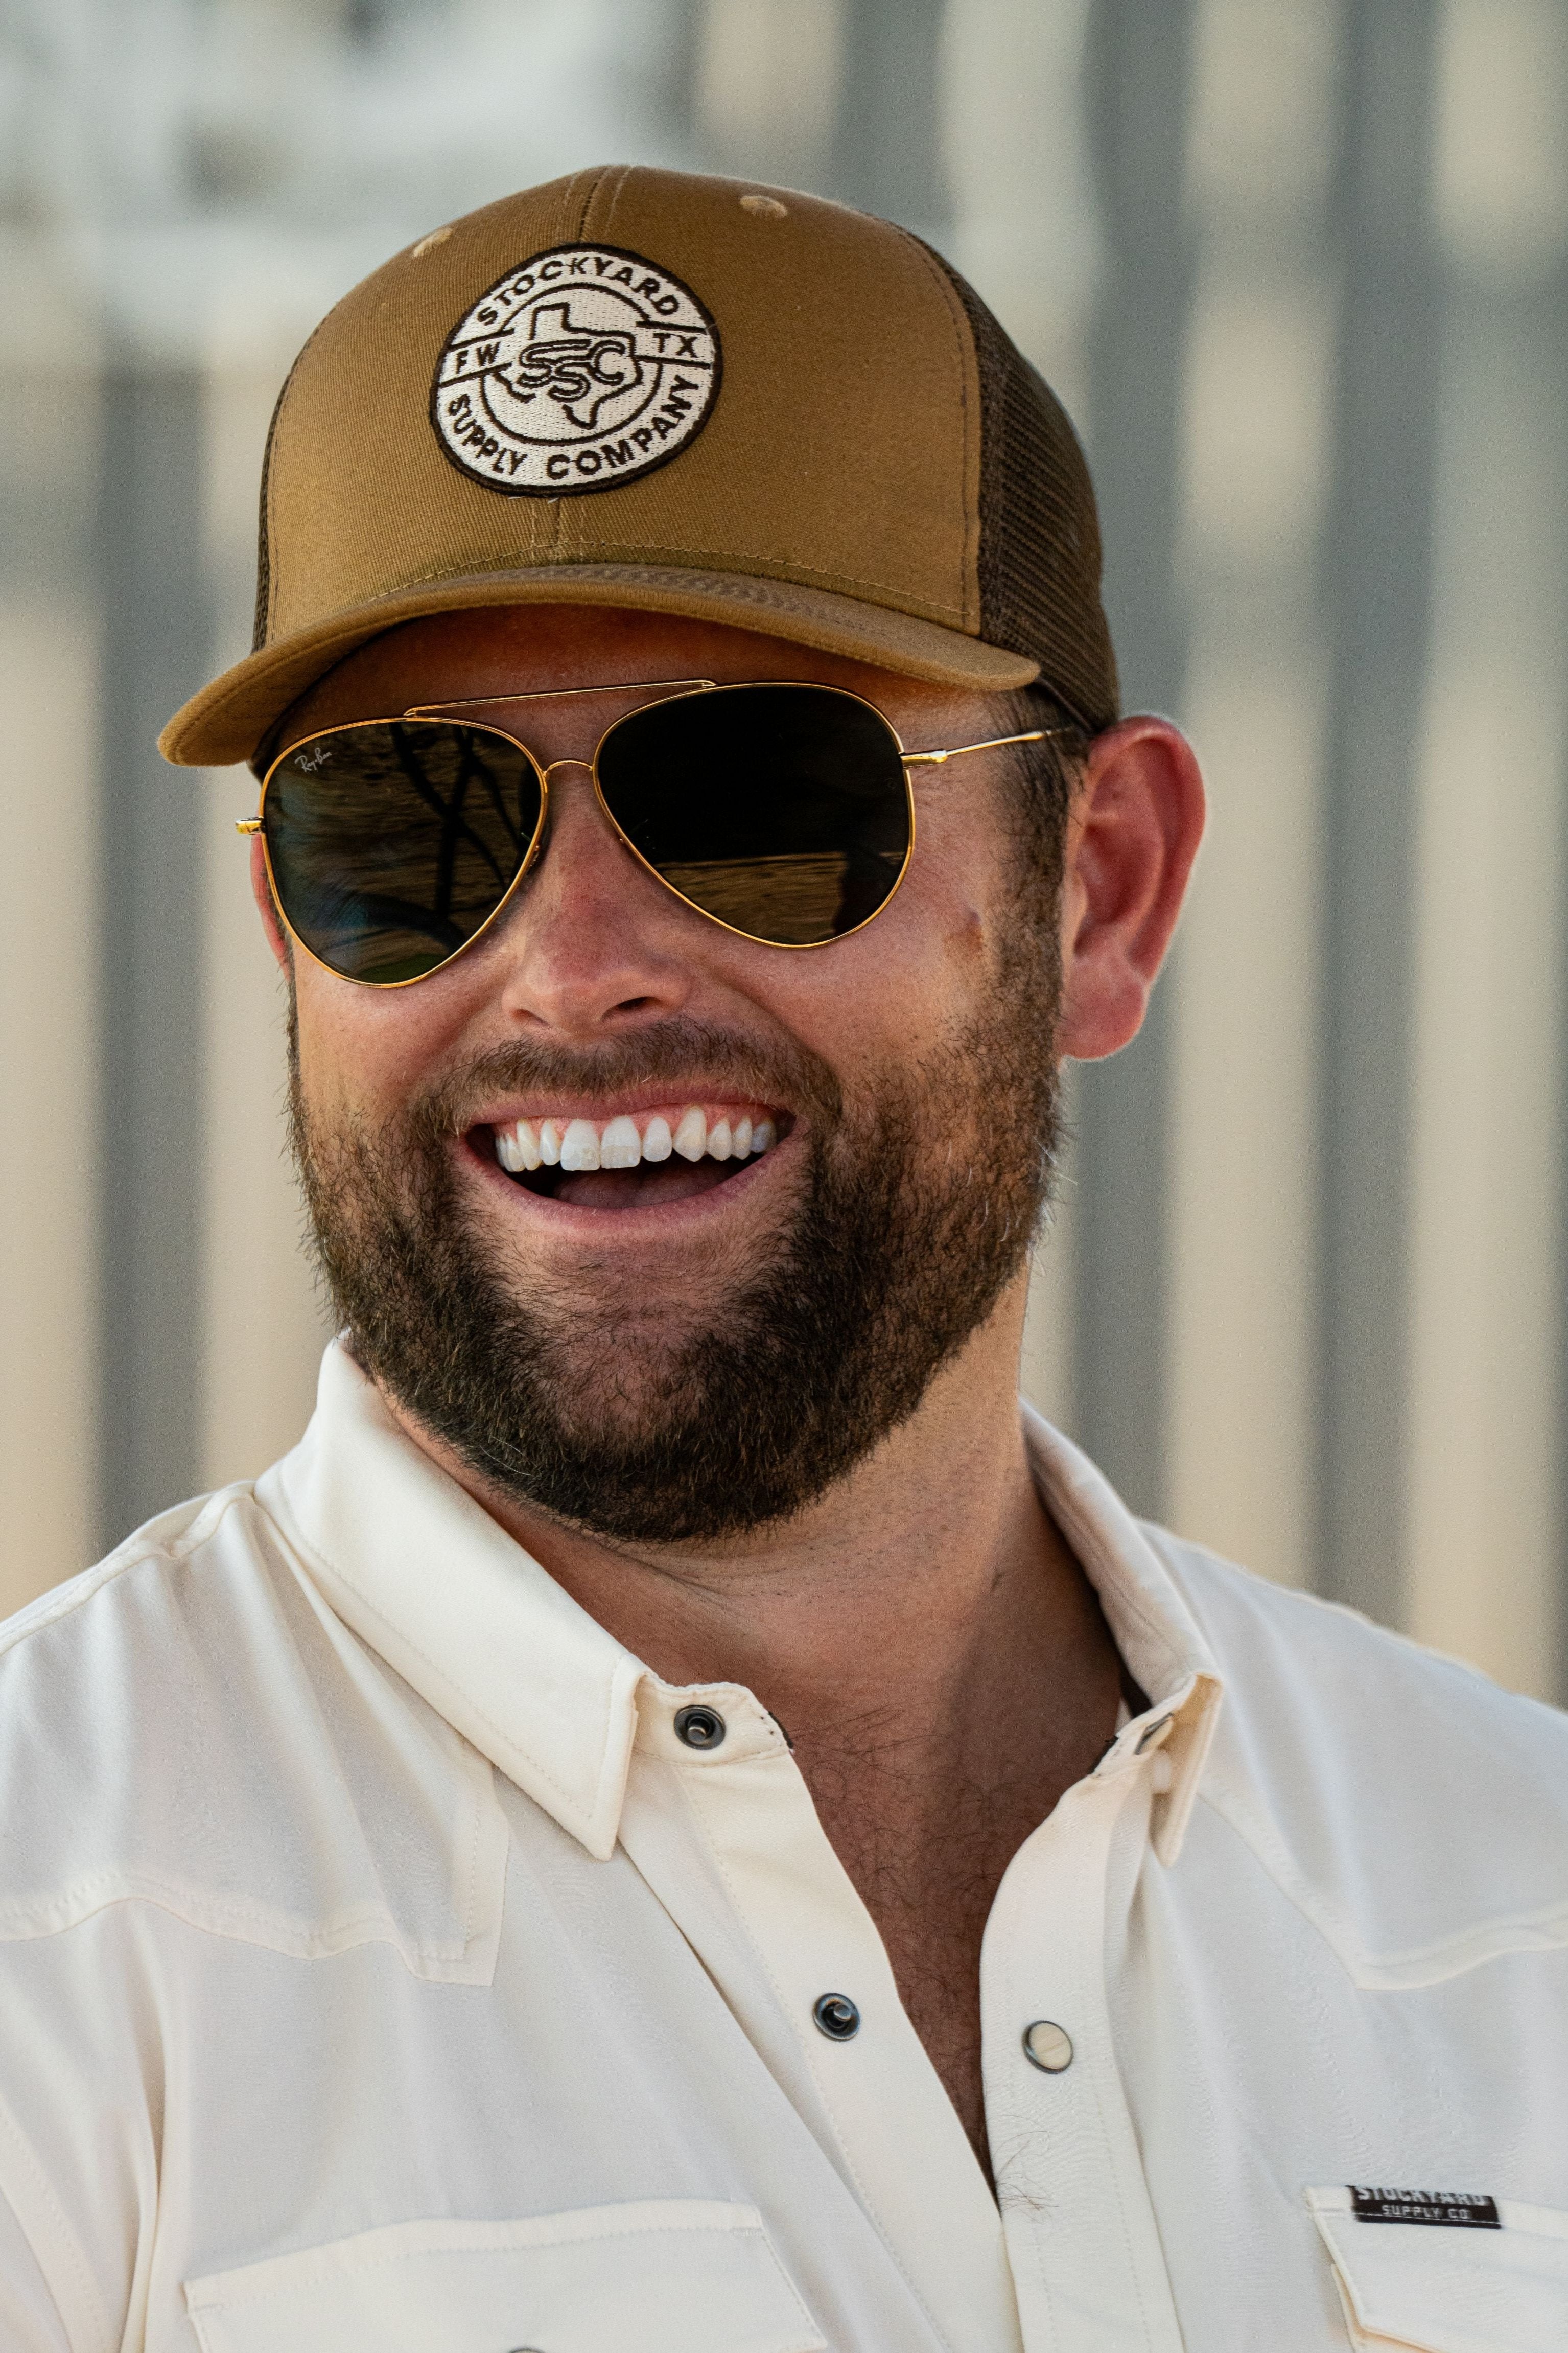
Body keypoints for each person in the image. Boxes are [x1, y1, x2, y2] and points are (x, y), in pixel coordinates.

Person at [1, 165, 1564, 2353]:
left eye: (755, 795)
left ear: (1098, 889)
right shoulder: (52, 1936)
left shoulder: (1516, 1903)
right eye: (410, 826)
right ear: (285, 925)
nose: (571, 968)